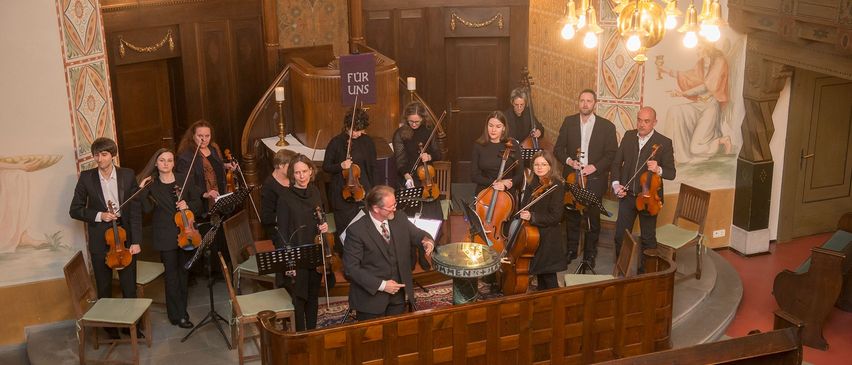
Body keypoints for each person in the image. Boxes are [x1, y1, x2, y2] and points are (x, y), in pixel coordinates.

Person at [68, 137, 142, 338]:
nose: (98, 159)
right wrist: (100, 215)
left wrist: (136, 241)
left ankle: (133, 325)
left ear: (112, 155)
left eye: (103, 154)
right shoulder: (86, 178)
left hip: (125, 238)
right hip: (101, 239)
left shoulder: (127, 175)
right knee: (104, 286)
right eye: (96, 155)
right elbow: (74, 210)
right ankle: (110, 327)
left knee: (129, 286)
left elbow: (135, 210)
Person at [342, 185, 435, 321]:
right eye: (390, 206)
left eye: (395, 204)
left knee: (395, 337)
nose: (395, 208)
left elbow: (417, 234)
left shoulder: (399, 218)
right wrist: (383, 285)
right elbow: (351, 269)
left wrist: (427, 241)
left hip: (398, 296)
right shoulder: (356, 231)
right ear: (376, 209)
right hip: (370, 301)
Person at [137, 148, 202, 329]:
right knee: (172, 276)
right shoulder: (153, 185)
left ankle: (181, 309)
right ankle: (178, 315)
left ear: (174, 163)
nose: (166, 163)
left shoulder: (184, 179)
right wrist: (142, 190)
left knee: (183, 274)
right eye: (162, 160)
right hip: (165, 235)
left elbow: (198, 204)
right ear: (156, 164)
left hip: (186, 233)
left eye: (169, 160)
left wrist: (188, 204)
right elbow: (148, 210)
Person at [554, 89, 618, 269]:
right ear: (578, 102)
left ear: (595, 104)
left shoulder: (606, 126)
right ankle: (572, 250)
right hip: (573, 177)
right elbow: (558, 149)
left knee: (591, 217)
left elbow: (611, 153)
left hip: (595, 178)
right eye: (582, 100)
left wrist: (594, 167)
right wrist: (569, 161)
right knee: (572, 213)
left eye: (589, 101)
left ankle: (590, 254)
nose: (585, 104)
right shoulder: (569, 122)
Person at [611, 107, 676, 272]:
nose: (642, 124)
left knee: (648, 238)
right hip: (627, 196)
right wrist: (616, 184)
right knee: (620, 236)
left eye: (646, 121)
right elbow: (616, 163)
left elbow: (672, 173)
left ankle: (645, 274)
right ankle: (621, 270)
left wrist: (658, 168)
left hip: (649, 199)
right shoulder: (628, 136)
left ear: (654, 122)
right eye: (639, 120)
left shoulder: (664, 142)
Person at [274, 154, 329, 330]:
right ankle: (300, 334)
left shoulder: (314, 191)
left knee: (313, 295)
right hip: (296, 253)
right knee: (299, 298)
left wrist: (324, 225)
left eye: (304, 171)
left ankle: (311, 331)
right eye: (297, 173)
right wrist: (289, 263)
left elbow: (321, 214)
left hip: (315, 250)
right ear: (292, 174)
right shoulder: (285, 198)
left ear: (311, 171)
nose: (302, 176)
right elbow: (281, 232)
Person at [658, 42, 732, 163]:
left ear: (707, 46)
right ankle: (675, 155)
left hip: (710, 107)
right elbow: (687, 75)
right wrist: (665, 70)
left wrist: (683, 93)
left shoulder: (720, 61)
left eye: (699, 47)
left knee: (695, 148)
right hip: (698, 104)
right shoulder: (701, 63)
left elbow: (706, 87)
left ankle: (721, 141)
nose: (697, 50)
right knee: (674, 111)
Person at [323, 107, 376, 253]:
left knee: (366, 226)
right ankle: (346, 257)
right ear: (347, 126)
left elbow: (372, 168)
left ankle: (363, 255)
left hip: (363, 189)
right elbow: (326, 166)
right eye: (355, 130)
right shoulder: (336, 142)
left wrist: (373, 191)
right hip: (342, 192)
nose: (357, 133)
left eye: (360, 130)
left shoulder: (367, 142)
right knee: (345, 227)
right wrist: (341, 165)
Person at [515, 150, 566, 290]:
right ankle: (543, 305)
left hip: (548, 238)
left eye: (544, 164)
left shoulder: (556, 185)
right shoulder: (533, 183)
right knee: (541, 277)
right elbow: (525, 206)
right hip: (535, 235)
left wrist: (533, 217)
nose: (539, 167)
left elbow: (556, 217)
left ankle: (554, 305)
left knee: (549, 278)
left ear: (550, 166)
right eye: (536, 164)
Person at [175, 119, 235, 214]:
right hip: (203, 203)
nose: (204, 139)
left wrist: (226, 165)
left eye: (207, 136)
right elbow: (186, 183)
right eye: (200, 136)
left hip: (220, 197)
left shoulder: (213, 148)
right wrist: (205, 193)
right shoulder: (186, 157)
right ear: (193, 136)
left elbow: (213, 166)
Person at [471, 111, 524, 195]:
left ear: (504, 128)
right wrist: (495, 182)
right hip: (485, 188)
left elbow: (520, 174)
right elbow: (474, 176)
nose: (493, 130)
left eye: (498, 126)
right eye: (490, 126)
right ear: (486, 126)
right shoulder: (478, 145)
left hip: (506, 189)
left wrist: (506, 185)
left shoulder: (512, 144)